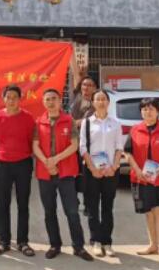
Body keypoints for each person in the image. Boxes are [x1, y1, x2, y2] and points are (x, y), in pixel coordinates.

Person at [33, 89, 93, 261]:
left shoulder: (69, 121)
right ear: (43, 102)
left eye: (54, 99)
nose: (51, 102)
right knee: (49, 211)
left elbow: (74, 145)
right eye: (48, 99)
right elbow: (35, 146)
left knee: (72, 211)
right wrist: (47, 162)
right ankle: (55, 245)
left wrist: (55, 160)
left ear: (60, 101)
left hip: (66, 173)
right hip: (45, 173)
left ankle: (78, 247)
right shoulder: (39, 122)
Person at [125, 98, 159, 263]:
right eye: (144, 109)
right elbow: (127, 152)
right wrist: (136, 169)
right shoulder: (135, 130)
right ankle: (152, 245)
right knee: (148, 212)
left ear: (157, 111)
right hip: (142, 178)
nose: (147, 112)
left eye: (151, 109)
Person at [0, 85, 36, 257]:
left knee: (23, 204)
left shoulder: (28, 118)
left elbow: (32, 140)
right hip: (3, 165)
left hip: (23, 164)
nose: (11, 100)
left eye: (14, 97)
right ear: (3, 99)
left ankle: (23, 242)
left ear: (19, 99)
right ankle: (4, 241)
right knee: (3, 204)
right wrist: (0, 155)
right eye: (8, 97)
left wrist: (23, 155)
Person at [79, 89, 123, 258]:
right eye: (97, 99)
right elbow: (83, 147)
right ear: (93, 102)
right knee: (92, 207)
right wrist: (92, 168)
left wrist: (114, 167)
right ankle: (95, 241)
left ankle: (107, 242)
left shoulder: (115, 123)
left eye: (104, 99)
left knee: (107, 207)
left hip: (111, 171)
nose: (101, 102)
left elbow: (119, 147)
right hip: (92, 170)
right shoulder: (87, 123)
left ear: (108, 102)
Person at [69, 76, 98, 216]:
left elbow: (89, 120)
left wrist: (74, 122)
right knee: (72, 174)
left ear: (95, 88)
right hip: (72, 143)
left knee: (88, 176)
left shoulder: (97, 102)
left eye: (90, 85)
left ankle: (88, 205)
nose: (86, 87)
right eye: (84, 84)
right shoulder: (76, 98)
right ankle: (74, 202)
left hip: (88, 144)